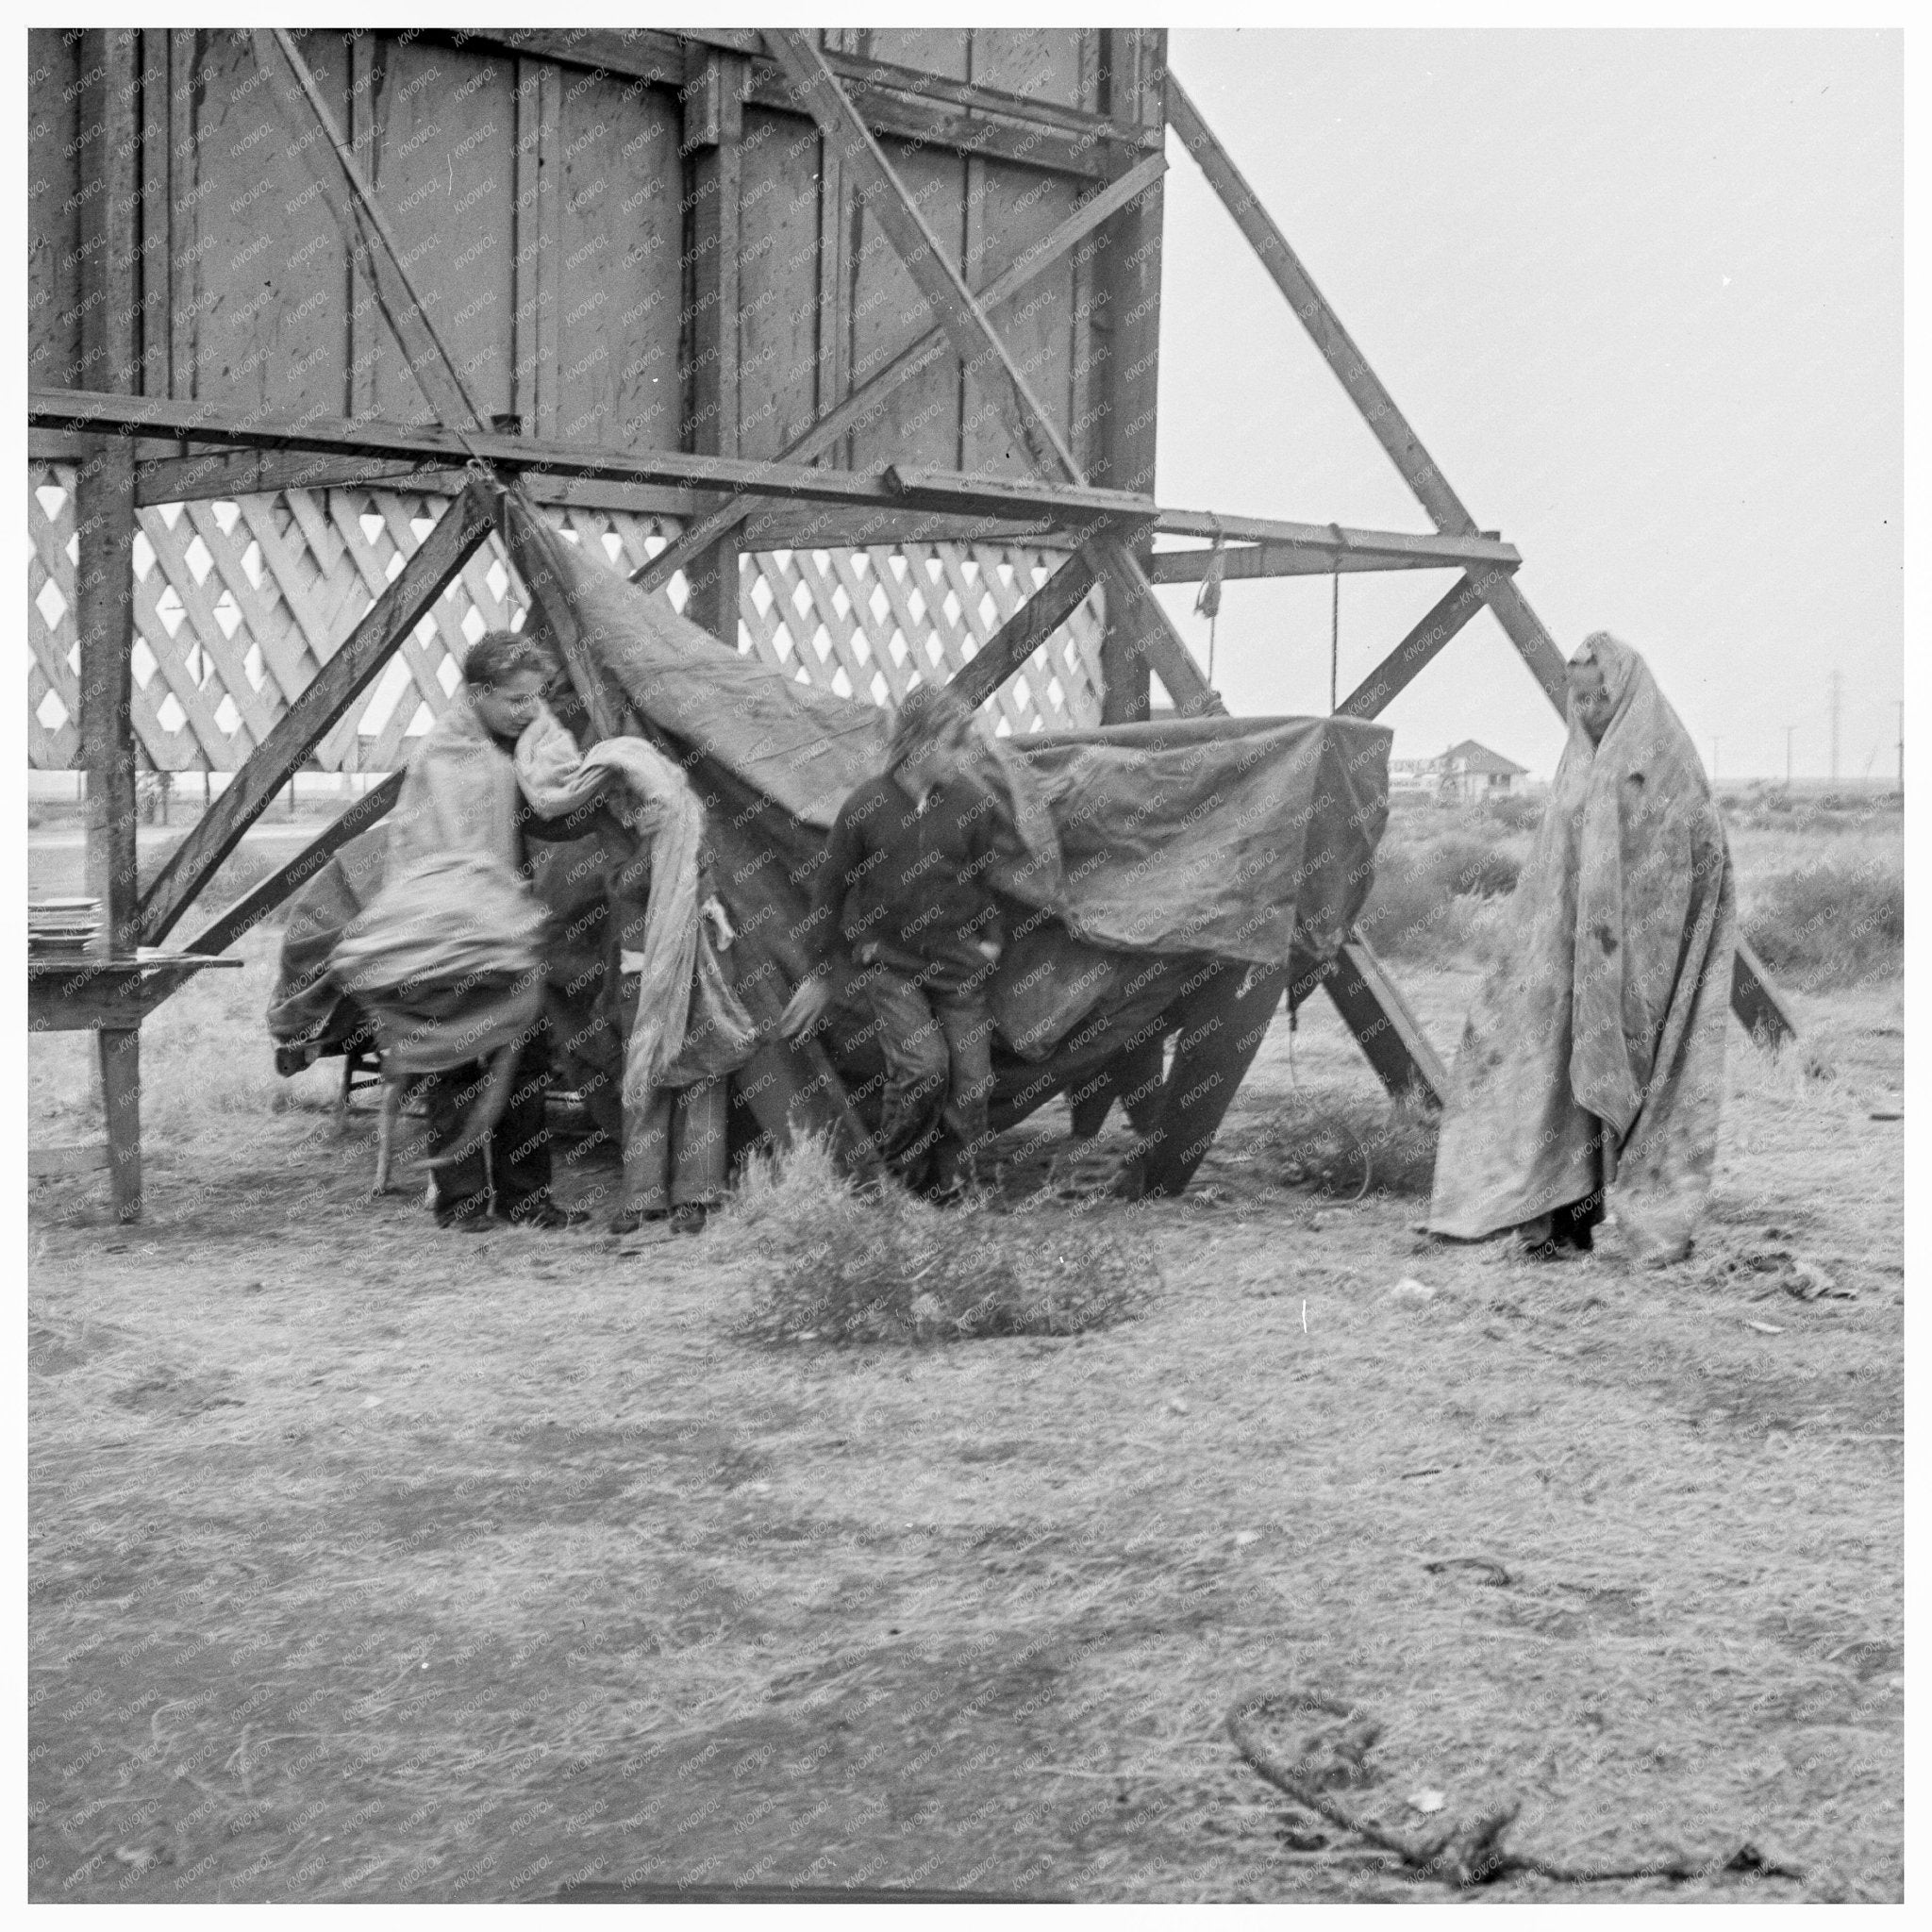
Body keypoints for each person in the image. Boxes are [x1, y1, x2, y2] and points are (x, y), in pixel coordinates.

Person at [1425, 632, 1736, 1264]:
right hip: (1569, 961)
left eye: (1600, 697)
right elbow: (1554, 870)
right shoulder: (1576, 767)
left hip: (1643, 961)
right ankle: (1565, 1223)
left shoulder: (1664, 764)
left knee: (1630, 1078)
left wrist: (1634, 936)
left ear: (1624, 695)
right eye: (1581, 698)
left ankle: (1640, 1215)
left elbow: (1694, 857)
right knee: (1559, 1080)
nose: (1589, 709)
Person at [359, 628, 606, 1233]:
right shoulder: (447, 755)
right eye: (517, 700)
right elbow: (437, 844)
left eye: (537, 698)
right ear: (477, 693)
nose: (531, 711)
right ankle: (462, 1203)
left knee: (523, 1065)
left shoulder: (528, 743)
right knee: (460, 1062)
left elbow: (548, 819)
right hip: (449, 928)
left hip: (508, 925)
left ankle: (527, 1199)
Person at [778, 684, 1012, 1200]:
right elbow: (829, 895)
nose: (966, 755)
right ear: (921, 743)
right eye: (956, 744)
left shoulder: (973, 804)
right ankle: (900, 1185)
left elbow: (987, 881)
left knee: (971, 1087)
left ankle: (953, 1191)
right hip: (893, 970)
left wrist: (990, 943)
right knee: (924, 1069)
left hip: (960, 968)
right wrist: (825, 971)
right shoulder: (866, 807)